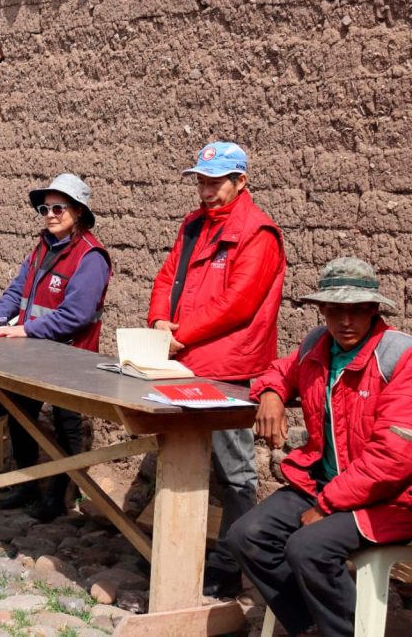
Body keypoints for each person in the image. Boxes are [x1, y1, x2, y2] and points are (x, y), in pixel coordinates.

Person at [225, 257, 412, 637]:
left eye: (358, 311)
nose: (347, 322)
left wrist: (328, 506)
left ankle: (347, 631)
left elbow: (394, 458)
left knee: (308, 547)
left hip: (391, 498)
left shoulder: (400, 357)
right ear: (322, 310)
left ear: (374, 310)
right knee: (247, 536)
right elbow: (279, 370)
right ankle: (311, 624)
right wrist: (273, 394)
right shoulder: (317, 346)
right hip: (326, 484)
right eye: (336, 311)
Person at [147, 141, 286, 598]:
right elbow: (168, 275)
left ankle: (229, 565)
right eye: (201, 182)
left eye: (214, 182)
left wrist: (180, 332)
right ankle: (180, 553)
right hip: (185, 358)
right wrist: (158, 321)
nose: (205, 191)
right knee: (186, 455)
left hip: (228, 366)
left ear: (240, 181)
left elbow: (239, 303)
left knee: (235, 469)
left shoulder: (258, 232)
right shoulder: (194, 225)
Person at [0, 174, 111, 521]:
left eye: (58, 208)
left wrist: (25, 329)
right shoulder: (41, 248)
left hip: (70, 354)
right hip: (34, 351)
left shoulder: (91, 257)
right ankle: (28, 483)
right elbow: (16, 290)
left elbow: (76, 315)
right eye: (45, 208)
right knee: (20, 413)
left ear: (79, 211)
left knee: (67, 422)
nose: (50, 214)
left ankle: (60, 493)